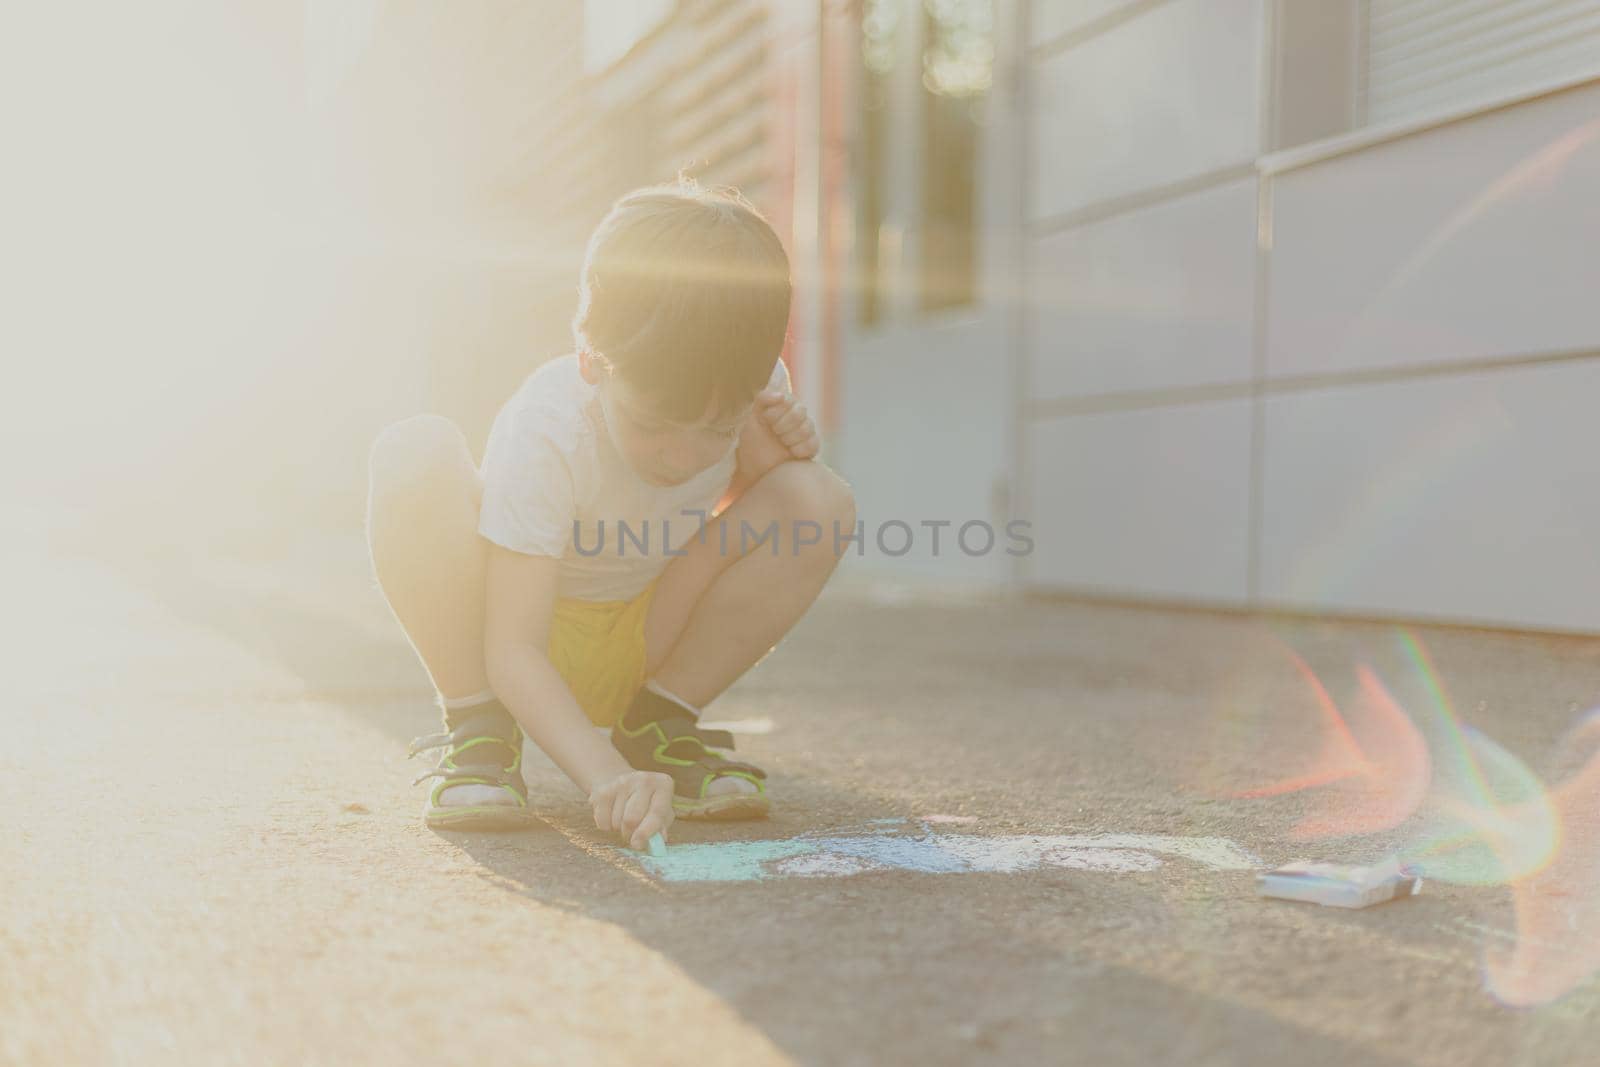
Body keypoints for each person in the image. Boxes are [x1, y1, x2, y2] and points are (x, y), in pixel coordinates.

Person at [365, 180, 857, 850]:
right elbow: (515, 647)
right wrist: (606, 778)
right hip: (510, 638)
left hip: (641, 629)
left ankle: (659, 722)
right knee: (413, 454)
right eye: (656, 423)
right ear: (592, 358)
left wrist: (772, 451)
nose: (684, 456)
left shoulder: (750, 383)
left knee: (815, 499)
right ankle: (479, 730)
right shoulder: (548, 428)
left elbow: (754, 523)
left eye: (716, 429)